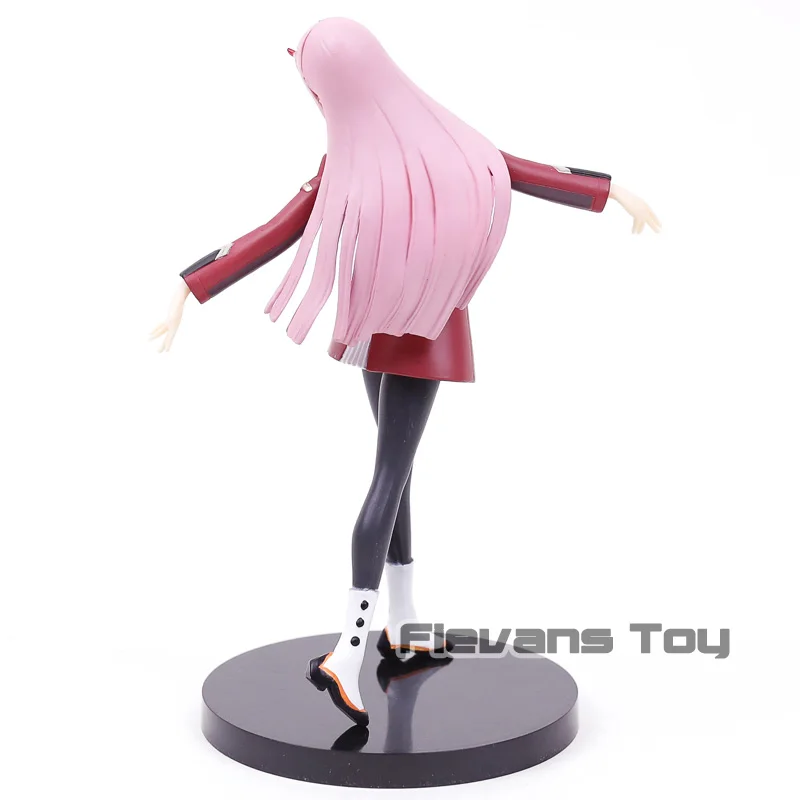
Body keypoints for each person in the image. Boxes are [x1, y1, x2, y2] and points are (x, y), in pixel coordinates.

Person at [151, 17, 660, 727]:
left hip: (375, 329)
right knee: (390, 477)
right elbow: (524, 171)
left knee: (398, 473)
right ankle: (349, 650)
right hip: (422, 333)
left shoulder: (366, 161)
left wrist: (190, 286)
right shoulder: (441, 145)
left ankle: (403, 624)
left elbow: (276, 228)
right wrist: (612, 192)